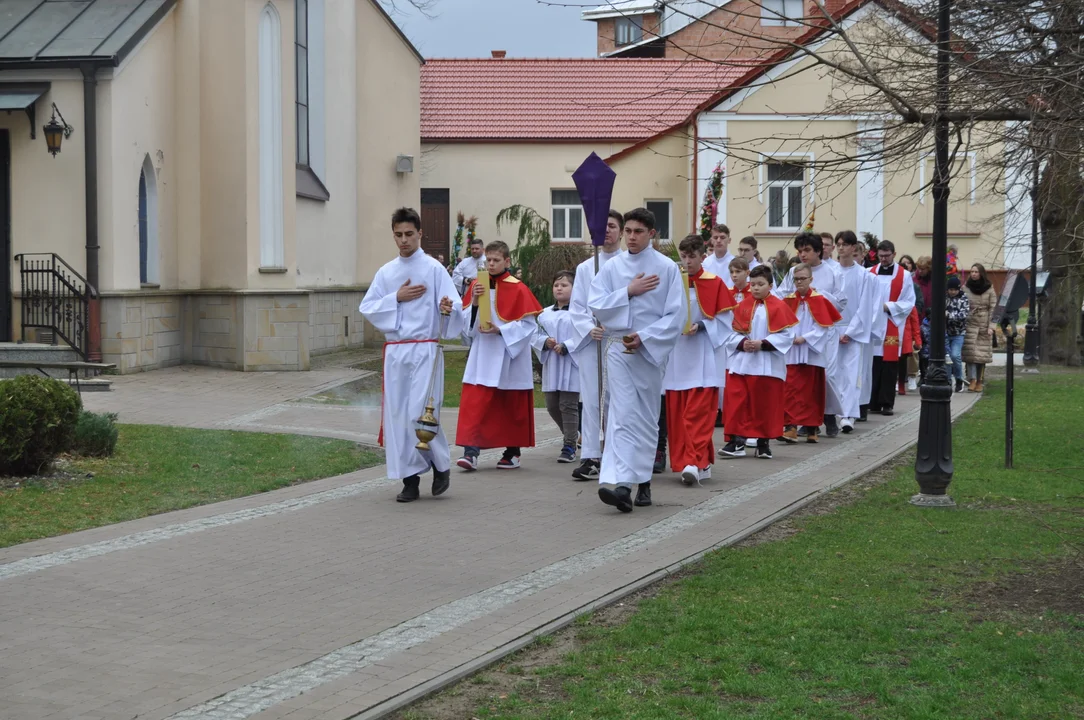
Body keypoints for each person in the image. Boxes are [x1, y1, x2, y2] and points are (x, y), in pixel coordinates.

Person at [359, 208, 465, 503]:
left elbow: (453, 307)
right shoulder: (386, 272)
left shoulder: (433, 269)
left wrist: (447, 308)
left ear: (420, 233)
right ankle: (410, 480)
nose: (403, 240)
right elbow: (368, 307)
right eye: (398, 235)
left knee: (420, 412)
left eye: (409, 234)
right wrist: (396, 298)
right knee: (399, 417)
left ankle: (441, 464)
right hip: (396, 352)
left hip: (425, 348)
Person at [589, 207, 684, 513]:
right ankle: (620, 484)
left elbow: (675, 315)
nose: (631, 237)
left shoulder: (667, 268)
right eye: (627, 231)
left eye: (638, 232)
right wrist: (628, 292)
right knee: (622, 414)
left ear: (652, 234)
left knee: (645, 415)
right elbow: (597, 304)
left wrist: (645, 336)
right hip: (618, 347)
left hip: (648, 352)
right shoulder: (612, 268)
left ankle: (643, 482)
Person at [456, 240, 543, 471]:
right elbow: (465, 327)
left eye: (495, 261)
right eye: (487, 261)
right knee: (475, 402)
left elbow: (528, 326)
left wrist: (501, 330)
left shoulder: (518, 288)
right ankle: (470, 452)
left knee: (510, 403)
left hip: (508, 354)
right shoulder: (477, 284)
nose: (491, 265)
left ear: (507, 261)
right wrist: (474, 302)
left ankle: (512, 452)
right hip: (483, 353)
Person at [664, 234, 735, 484]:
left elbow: (727, 321)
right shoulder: (672, 283)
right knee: (679, 413)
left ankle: (695, 461)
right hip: (677, 358)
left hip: (703, 356)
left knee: (698, 414)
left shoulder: (714, 283)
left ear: (702, 257)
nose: (687, 261)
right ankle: (693, 462)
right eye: (683, 256)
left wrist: (702, 327)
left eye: (691, 256)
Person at [567, 210, 624, 481]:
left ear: (621, 232)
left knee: (616, 398)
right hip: (593, 340)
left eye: (612, 226)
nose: (607, 232)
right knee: (591, 399)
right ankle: (591, 455)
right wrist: (589, 328)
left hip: (618, 341)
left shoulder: (627, 265)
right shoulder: (585, 268)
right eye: (603, 227)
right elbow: (577, 306)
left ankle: (616, 453)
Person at [720, 265, 798, 460]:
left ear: (770, 285)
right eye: (752, 284)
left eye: (760, 284)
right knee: (739, 403)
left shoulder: (779, 307)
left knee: (765, 405)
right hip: (743, 364)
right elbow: (729, 333)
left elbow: (787, 335)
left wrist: (763, 343)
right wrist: (742, 343)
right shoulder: (741, 306)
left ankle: (763, 443)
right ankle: (736, 441)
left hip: (767, 365)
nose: (755, 288)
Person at [775, 232, 845, 436]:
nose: (803, 254)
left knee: (825, 376)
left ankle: (829, 416)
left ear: (818, 251)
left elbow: (841, 302)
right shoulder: (794, 271)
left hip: (823, 332)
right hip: (798, 329)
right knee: (798, 378)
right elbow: (782, 294)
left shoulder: (833, 271)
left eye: (807, 250)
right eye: (800, 250)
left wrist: (817, 297)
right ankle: (803, 421)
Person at [833, 231, 878, 432]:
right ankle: (832, 412)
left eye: (845, 244)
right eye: (838, 244)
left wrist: (850, 332)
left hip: (852, 330)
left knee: (852, 374)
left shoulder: (864, 276)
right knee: (833, 374)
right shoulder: (832, 272)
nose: (841, 248)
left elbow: (865, 306)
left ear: (853, 248)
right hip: (831, 329)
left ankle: (847, 414)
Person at [533, 271, 581, 463]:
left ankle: (569, 445)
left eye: (564, 285)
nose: (559, 288)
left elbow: (584, 335)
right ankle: (575, 435)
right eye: (556, 285)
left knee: (568, 405)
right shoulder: (544, 314)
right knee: (552, 406)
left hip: (570, 364)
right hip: (552, 364)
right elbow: (534, 335)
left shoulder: (579, 312)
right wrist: (545, 342)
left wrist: (567, 345)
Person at [866, 240, 916, 416]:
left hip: (891, 322)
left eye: (887, 256)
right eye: (881, 256)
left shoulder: (904, 275)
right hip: (872, 324)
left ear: (894, 254)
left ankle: (887, 402)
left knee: (889, 363)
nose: (884, 259)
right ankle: (872, 402)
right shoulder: (869, 273)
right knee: (873, 362)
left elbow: (909, 302)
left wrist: (889, 307)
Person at [962, 262, 996, 392]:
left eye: (976, 272)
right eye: (972, 272)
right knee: (970, 353)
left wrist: (991, 326)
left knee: (981, 355)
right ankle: (972, 379)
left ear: (981, 273)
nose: (974, 274)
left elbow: (993, 308)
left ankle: (980, 380)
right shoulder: (966, 288)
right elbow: (962, 304)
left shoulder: (989, 288)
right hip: (970, 322)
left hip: (984, 323)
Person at [946, 275, 970, 392]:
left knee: (955, 356)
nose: (953, 292)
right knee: (947, 358)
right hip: (946, 333)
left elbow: (963, 315)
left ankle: (959, 378)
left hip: (958, 333)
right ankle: (948, 380)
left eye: (955, 290)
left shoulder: (963, 299)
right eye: (950, 290)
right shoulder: (945, 298)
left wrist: (949, 316)